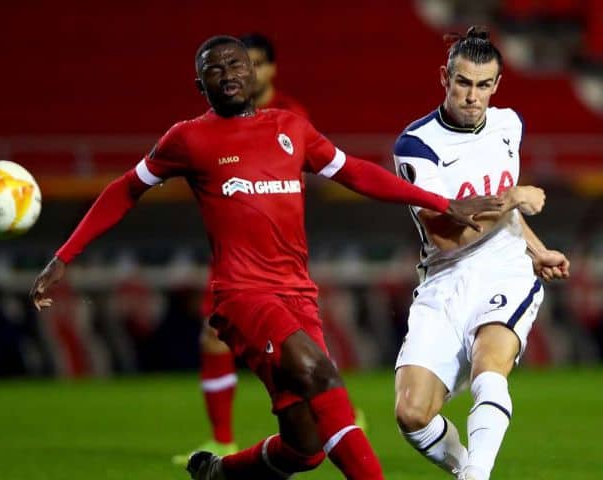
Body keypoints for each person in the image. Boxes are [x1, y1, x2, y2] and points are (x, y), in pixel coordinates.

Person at [30, 35, 502, 480]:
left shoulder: (290, 128)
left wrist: (442, 203)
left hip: (297, 293)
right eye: (214, 70)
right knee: (319, 372)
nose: (228, 73)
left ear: (253, 73)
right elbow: (124, 189)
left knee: (308, 445)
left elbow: (356, 173)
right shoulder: (188, 139)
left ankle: (222, 471)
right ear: (201, 85)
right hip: (242, 296)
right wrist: (65, 255)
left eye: (236, 63)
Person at [392, 26, 570, 480]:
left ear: (497, 84)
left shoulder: (509, 125)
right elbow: (446, 239)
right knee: (412, 414)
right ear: (444, 78)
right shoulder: (417, 147)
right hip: (444, 278)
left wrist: (536, 249)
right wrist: (510, 198)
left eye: (483, 85)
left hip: (505, 270)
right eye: (463, 82)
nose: (473, 96)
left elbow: (506, 218)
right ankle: (466, 469)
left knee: (491, 365)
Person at [173, 33, 313, 465]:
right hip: (236, 257)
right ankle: (222, 438)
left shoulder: (289, 117)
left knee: (302, 356)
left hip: (279, 255)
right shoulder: (214, 123)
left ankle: (329, 411)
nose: (237, 74)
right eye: (229, 67)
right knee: (213, 338)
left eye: (250, 64)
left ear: (267, 70)